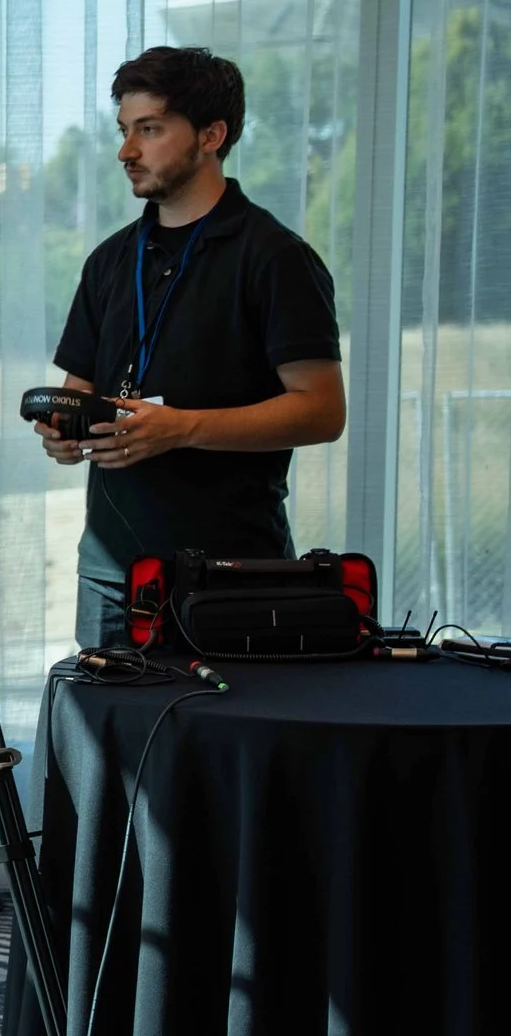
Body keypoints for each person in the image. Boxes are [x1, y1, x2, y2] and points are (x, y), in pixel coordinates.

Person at [36, 46, 346, 650]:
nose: (127, 151)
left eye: (148, 129)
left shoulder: (276, 258)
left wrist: (180, 428)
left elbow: (322, 410)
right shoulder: (108, 261)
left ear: (212, 134)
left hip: (232, 575)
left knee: (221, 744)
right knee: (108, 745)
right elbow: (80, 389)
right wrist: (64, 428)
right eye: (125, 132)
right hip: (110, 573)